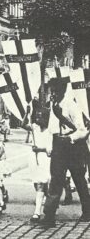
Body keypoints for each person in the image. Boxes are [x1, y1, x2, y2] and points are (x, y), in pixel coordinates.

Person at [39, 78, 90, 228]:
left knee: (79, 180)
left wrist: (70, 139)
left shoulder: (72, 106)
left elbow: (82, 130)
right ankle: (49, 215)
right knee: (55, 180)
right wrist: (50, 146)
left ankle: (87, 211)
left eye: (55, 90)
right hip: (58, 146)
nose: (53, 93)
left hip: (73, 147)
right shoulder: (54, 106)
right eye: (52, 90)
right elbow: (51, 129)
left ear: (62, 90)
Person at [21, 101, 52, 223]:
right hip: (34, 159)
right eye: (37, 116)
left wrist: (40, 149)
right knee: (37, 184)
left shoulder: (50, 130)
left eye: (40, 116)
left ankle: (37, 212)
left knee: (42, 183)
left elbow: (51, 149)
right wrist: (27, 113)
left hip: (46, 159)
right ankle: (48, 203)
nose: (38, 118)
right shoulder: (35, 127)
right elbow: (23, 125)